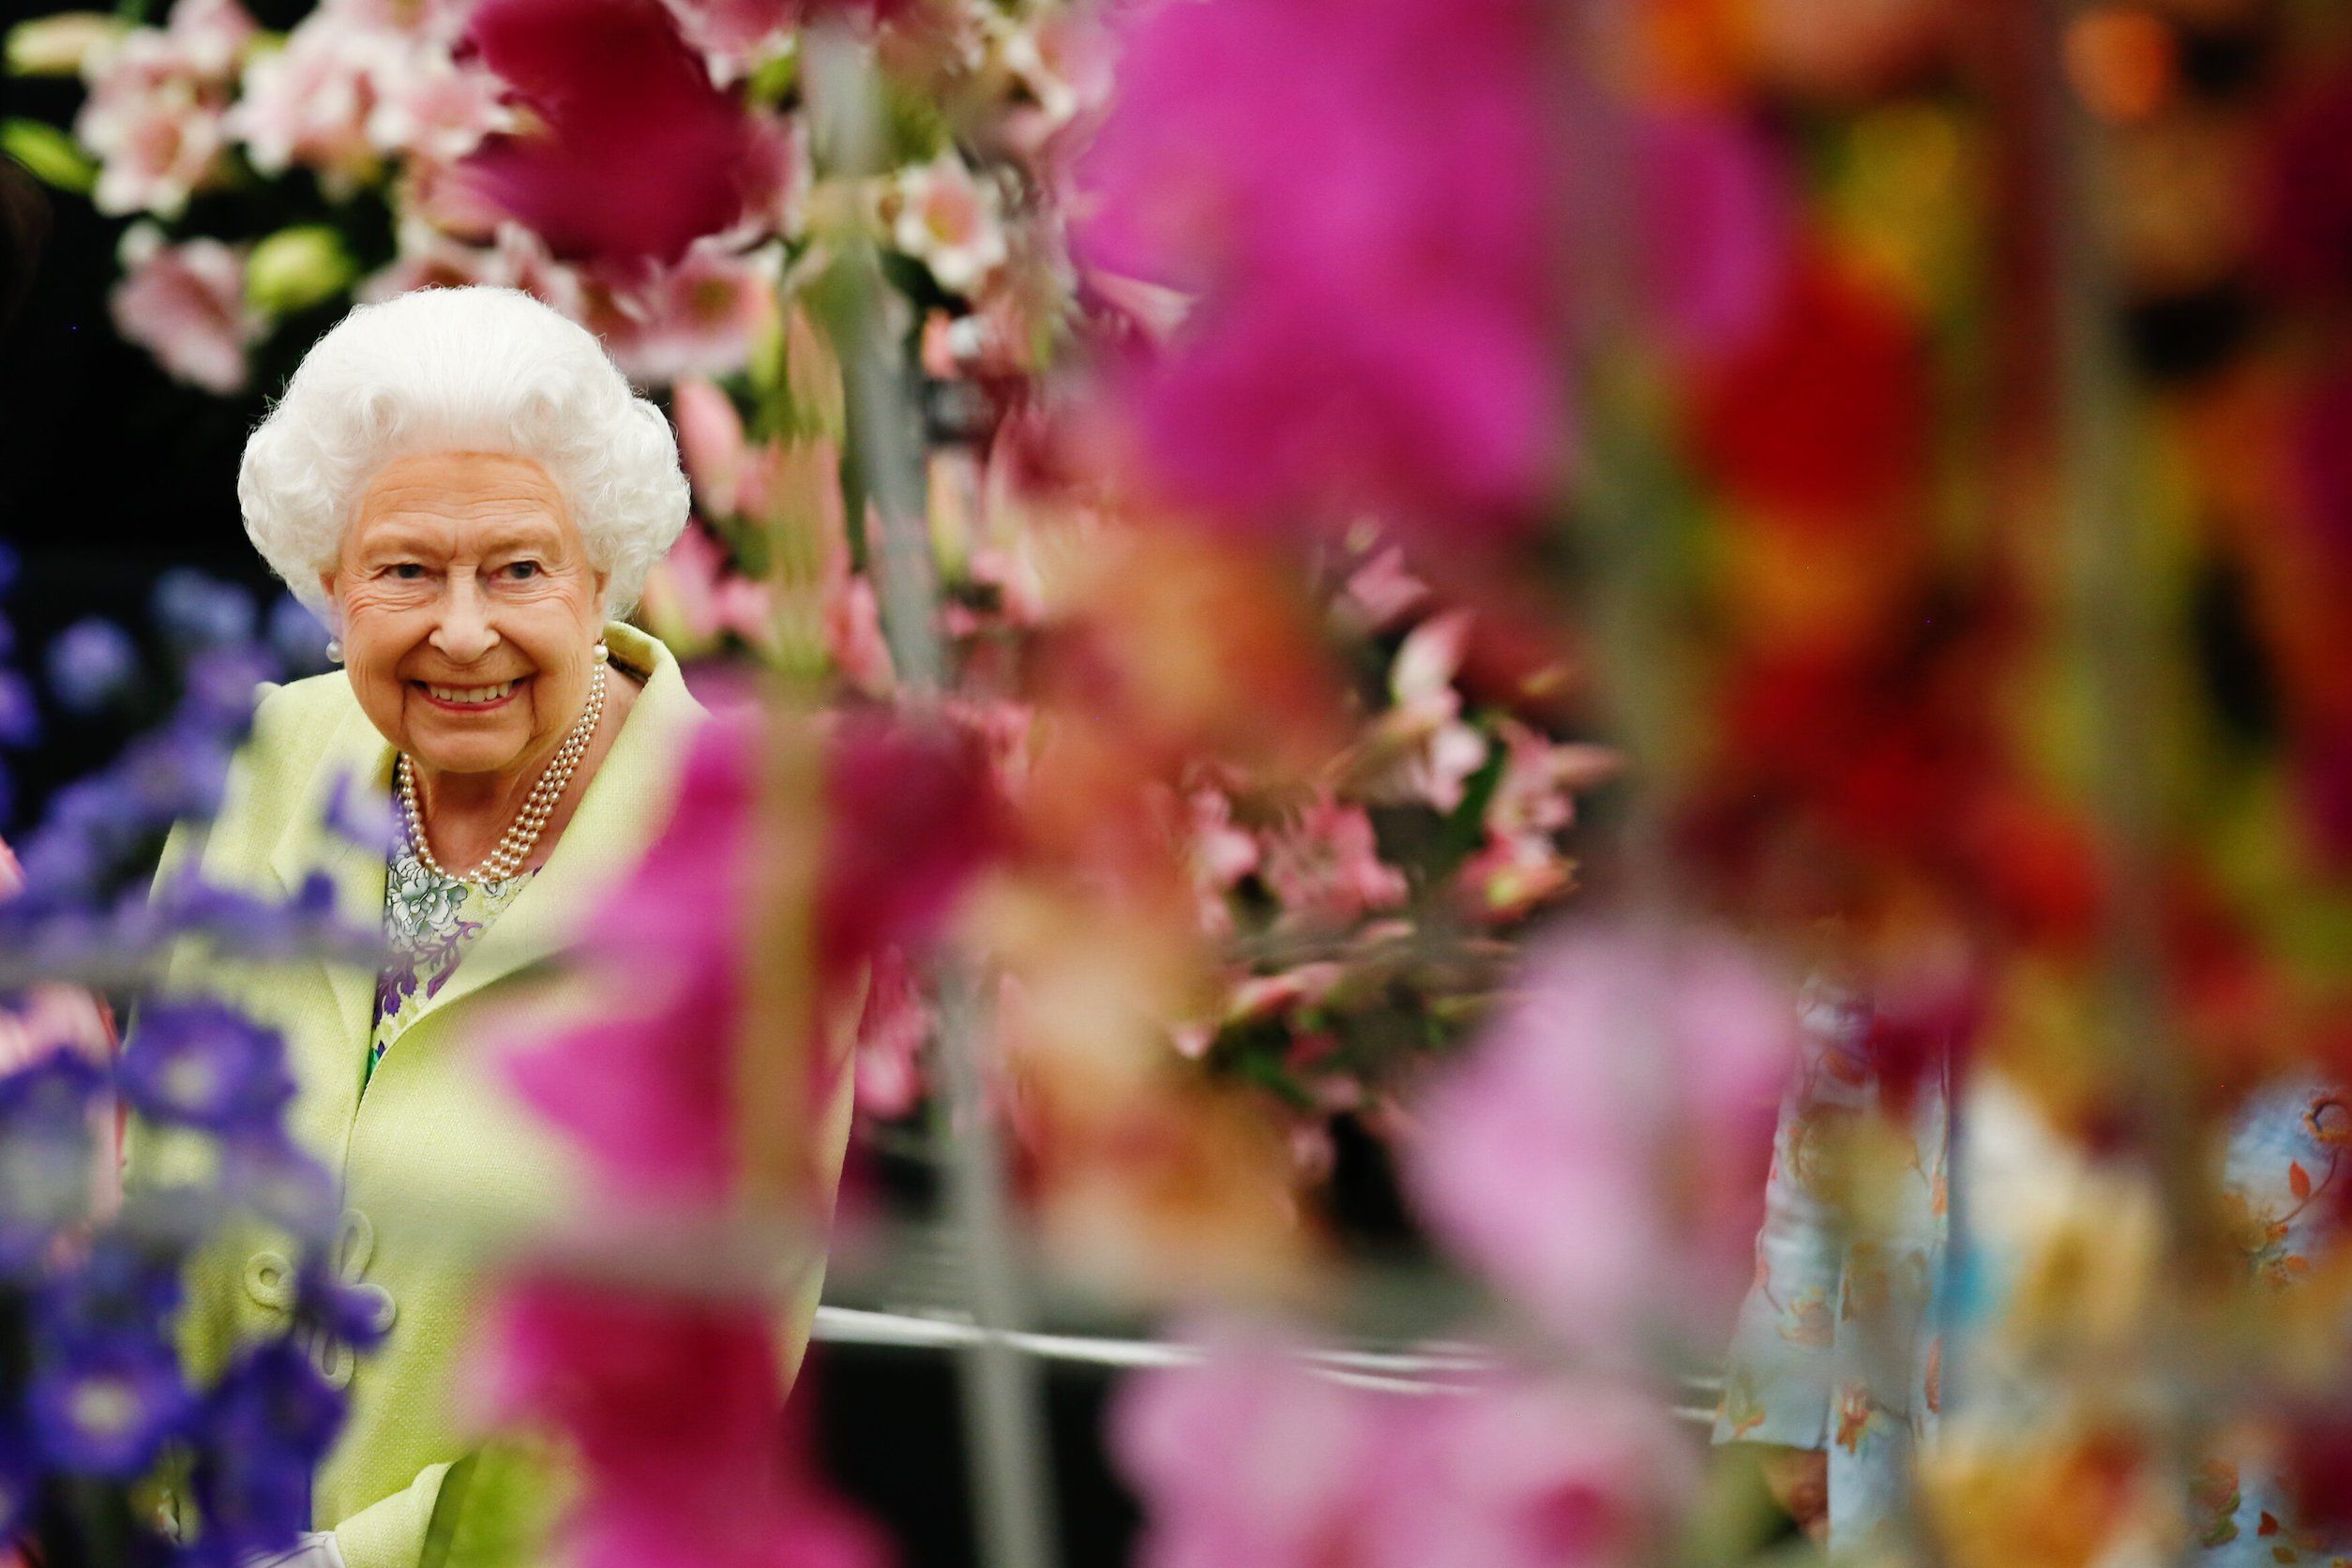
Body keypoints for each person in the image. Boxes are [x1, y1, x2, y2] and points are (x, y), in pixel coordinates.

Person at [128, 287, 847, 1568]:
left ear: (601, 572)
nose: (465, 631)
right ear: (332, 580)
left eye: (518, 568)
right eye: (406, 571)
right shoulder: (265, 759)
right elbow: (148, 1186)